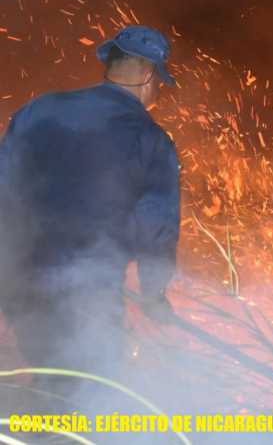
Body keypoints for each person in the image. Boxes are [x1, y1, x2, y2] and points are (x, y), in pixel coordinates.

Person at [0, 25, 180, 376]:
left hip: (19, 281)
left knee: (46, 374)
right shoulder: (151, 139)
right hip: (88, 292)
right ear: (147, 75)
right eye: (157, 82)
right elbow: (156, 225)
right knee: (90, 387)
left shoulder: (39, 109)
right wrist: (154, 294)